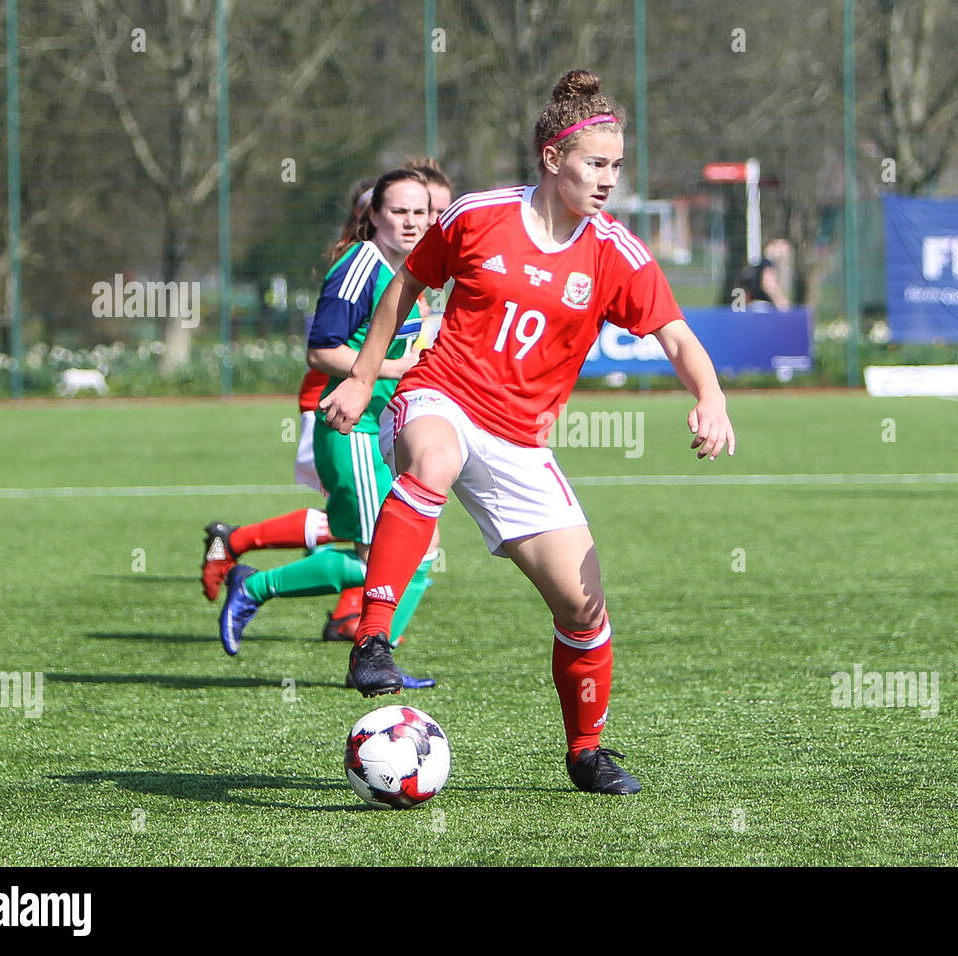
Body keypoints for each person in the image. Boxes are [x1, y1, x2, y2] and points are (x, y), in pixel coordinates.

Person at [319, 69, 737, 795]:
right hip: (440, 395)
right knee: (435, 460)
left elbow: (675, 335)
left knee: (583, 604)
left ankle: (586, 751)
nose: (609, 179)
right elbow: (407, 284)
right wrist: (361, 377)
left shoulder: (616, 253)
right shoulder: (479, 216)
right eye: (595, 164)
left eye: (616, 166)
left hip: (520, 442)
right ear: (553, 159)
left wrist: (711, 396)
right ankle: (372, 640)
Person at [214, 169, 439, 687]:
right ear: (373, 215)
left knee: (419, 551)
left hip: (386, 428)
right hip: (352, 430)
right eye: (398, 211)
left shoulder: (410, 269)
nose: (411, 221)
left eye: (420, 212)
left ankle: (378, 661)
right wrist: (395, 369)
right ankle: (256, 587)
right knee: (381, 560)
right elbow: (321, 349)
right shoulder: (361, 265)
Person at [736, 238, 791, 311]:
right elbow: (768, 284)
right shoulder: (767, 263)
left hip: (752, 306)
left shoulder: (760, 264)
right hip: (762, 307)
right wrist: (781, 301)